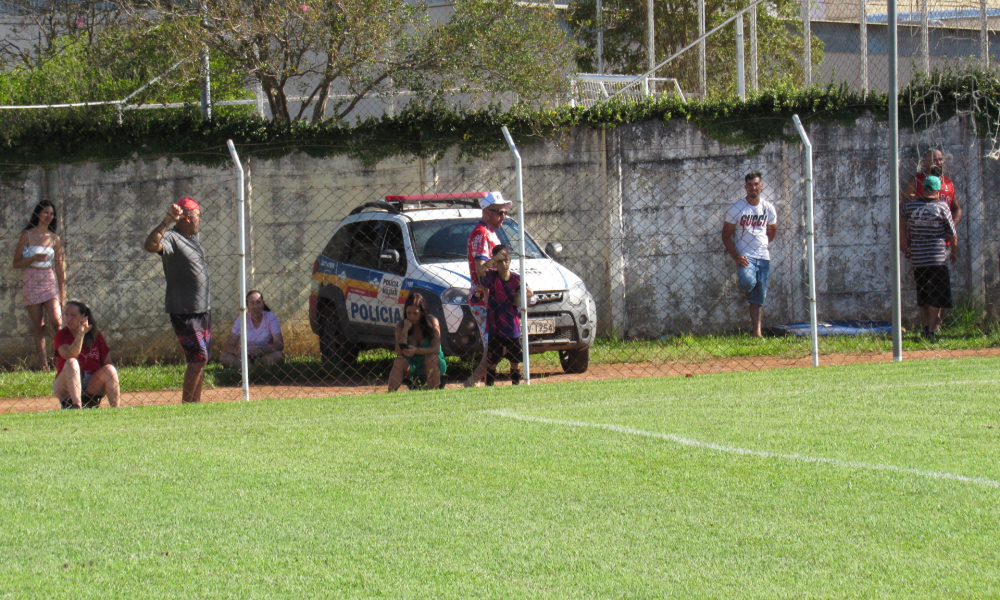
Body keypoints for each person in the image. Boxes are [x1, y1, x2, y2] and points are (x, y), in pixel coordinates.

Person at [144, 197, 212, 404]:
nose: (201, 221)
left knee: (202, 359)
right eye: (198, 216)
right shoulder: (172, 237)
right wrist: (167, 220)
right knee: (198, 358)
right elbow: (150, 245)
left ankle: (195, 404)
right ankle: (188, 405)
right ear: (189, 218)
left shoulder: (193, 237)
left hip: (202, 309)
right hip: (184, 310)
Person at [721, 171, 778, 338]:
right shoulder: (737, 208)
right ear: (745, 187)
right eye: (750, 185)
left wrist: (762, 245)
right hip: (745, 256)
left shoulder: (768, 208)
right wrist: (737, 256)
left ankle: (756, 332)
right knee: (747, 283)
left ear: (761, 186)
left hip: (763, 256)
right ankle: (750, 291)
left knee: (759, 298)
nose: (753, 188)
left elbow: (772, 232)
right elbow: (726, 235)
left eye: (756, 184)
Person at [900, 175, 958, 338]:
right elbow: (951, 232)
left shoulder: (911, 206)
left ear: (923, 189)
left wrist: (903, 235)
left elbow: (901, 213)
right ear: (938, 190)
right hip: (937, 257)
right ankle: (932, 331)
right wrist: (954, 251)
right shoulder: (942, 206)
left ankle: (925, 327)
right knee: (937, 294)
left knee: (923, 292)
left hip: (918, 257)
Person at [468, 245, 533, 386]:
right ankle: (490, 387)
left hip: (512, 326)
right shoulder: (492, 277)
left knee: (515, 360)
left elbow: (529, 292)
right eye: (499, 262)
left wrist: (527, 294)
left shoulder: (517, 279)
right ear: (495, 263)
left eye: (505, 260)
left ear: (510, 261)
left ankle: (516, 385)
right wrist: (493, 260)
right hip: (495, 325)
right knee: (492, 361)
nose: (503, 264)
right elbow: (480, 271)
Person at [11, 200, 65, 370]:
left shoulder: (54, 238)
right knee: (38, 325)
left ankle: (61, 360)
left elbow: (59, 267)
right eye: (45, 212)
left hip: (48, 279)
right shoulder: (27, 235)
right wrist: (33, 258)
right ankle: (44, 365)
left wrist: (62, 292)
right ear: (38, 214)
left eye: (51, 213)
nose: (49, 216)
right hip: (31, 279)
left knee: (57, 321)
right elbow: (16, 263)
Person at [467, 191, 511, 385]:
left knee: (497, 343)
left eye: (504, 213)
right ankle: (474, 380)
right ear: (487, 212)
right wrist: (498, 257)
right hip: (484, 295)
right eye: (500, 213)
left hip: (493, 295)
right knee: (496, 344)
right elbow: (481, 270)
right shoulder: (481, 233)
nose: (504, 217)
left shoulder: (489, 232)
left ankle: (480, 381)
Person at [52, 300, 120, 409]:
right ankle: (76, 405)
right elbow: (70, 355)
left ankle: (115, 410)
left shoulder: (95, 335)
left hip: (91, 382)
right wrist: (80, 334)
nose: (68, 318)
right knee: (71, 362)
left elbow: (107, 363)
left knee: (110, 370)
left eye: (73, 315)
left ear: (83, 316)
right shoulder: (61, 335)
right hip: (66, 383)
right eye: (66, 314)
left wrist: (108, 378)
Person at [387, 292, 446, 391]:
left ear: (422, 313)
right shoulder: (401, 325)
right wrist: (405, 330)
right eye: (408, 313)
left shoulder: (432, 321)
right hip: (412, 363)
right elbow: (399, 352)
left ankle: (434, 392)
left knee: (430, 358)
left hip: (433, 361)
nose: (411, 316)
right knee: (398, 361)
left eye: (415, 313)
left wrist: (416, 350)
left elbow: (435, 350)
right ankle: (390, 395)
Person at [220, 290, 285, 368]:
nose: (256, 306)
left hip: (266, 354)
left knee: (279, 355)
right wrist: (237, 350)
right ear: (247, 306)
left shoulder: (270, 317)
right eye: (252, 303)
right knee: (223, 356)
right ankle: (253, 368)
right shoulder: (242, 318)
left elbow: (279, 344)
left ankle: (249, 368)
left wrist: (262, 350)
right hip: (246, 356)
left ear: (263, 304)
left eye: (258, 302)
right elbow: (229, 345)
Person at [900, 148, 962, 226]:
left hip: (943, 233)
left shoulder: (948, 182)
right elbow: (902, 206)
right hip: (920, 231)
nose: (938, 163)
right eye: (934, 160)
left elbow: (957, 208)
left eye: (940, 160)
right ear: (926, 162)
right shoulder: (916, 181)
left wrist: (952, 225)